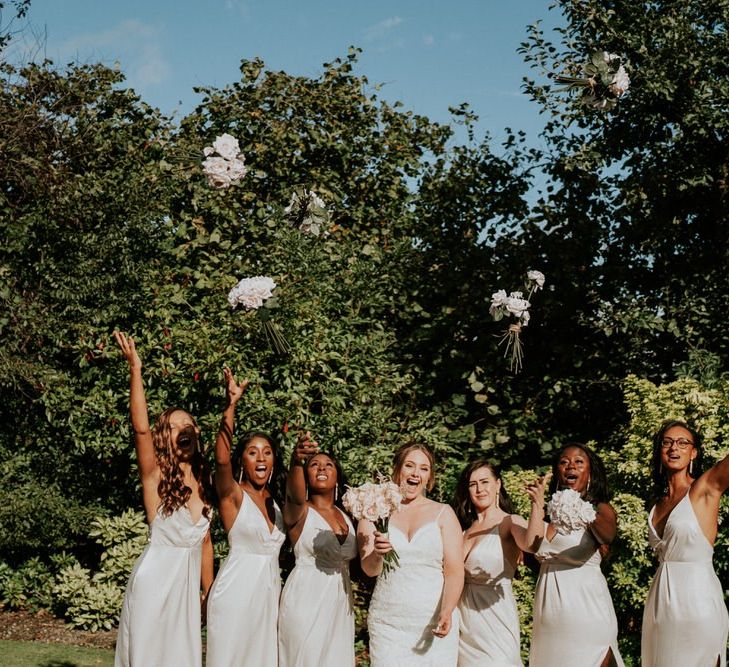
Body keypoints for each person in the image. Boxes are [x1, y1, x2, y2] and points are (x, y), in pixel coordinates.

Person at [113, 331, 213, 667]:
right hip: (153, 584)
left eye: (188, 424)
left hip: (185, 593)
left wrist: (207, 593)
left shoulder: (207, 482)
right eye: (173, 426)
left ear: (196, 434)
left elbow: (206, 544)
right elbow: (140, 429)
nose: (183, 428)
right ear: (164, 439)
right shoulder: (154, 477)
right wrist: (135, 369)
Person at [205, 369, 286, 667]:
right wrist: (231, 406)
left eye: (267, 452)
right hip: (235, 594)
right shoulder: (233, 496)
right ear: (243, 461)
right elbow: (221, 459)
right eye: (253, 452)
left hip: (267, 597)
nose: (261, 458)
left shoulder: (278, 504)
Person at [359, 443, 464, 666]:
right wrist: (378, 553)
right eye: (409, 465)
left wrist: (447, 611)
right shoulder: (375, 511)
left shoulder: (444, 514)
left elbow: (454, 571)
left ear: (429, 477)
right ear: (397, 469)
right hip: (388, 624)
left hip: (433, 621)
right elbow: (369, 570)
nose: (416, 473)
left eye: (424, 468)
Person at [525, 443, 623, 667]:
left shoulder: (600, 508)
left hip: (585, 611)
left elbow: (608, 535)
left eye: (579, 462)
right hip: (548, 615)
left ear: (590, 471)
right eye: (564, 462)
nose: (571, 466)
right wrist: (537, 504)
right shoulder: (549, 515)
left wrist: (582, 508)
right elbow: (532, 549)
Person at [641, 419, 729, 666]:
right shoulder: (657, 502)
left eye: (682, 443)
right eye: (667, 443)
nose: (673, 448)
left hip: (696, 601)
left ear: (693, 452)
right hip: (659, 606)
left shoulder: (705, 489)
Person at [278, 435, 357, 667]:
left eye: (328, 465)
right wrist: (296, 462)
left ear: (337, 477)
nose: (321, 468)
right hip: (306, 599)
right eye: (314, 465)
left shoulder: (348, 515)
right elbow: (293, 495)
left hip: (340, 603)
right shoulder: (299, 512)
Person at [454, 460, 525, 667]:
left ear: (498, 485)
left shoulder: (510, 522)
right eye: (472, 484)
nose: (479, 489)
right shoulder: (464, 530)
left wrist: (537, 506)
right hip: (464, 626)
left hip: (495, 621)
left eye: (485, 482)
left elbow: (532, 543)